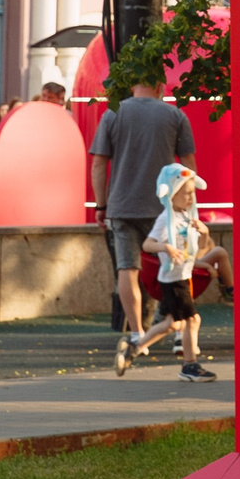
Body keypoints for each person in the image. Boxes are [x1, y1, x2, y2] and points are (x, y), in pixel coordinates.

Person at [89, 79, 197, 341]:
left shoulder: (113, 113)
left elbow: (99, 164)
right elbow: (188, 163)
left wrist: (101, 205)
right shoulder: (175, 115)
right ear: (160, 84)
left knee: (127, 269)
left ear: (132, 84)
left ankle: (137, 333)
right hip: (165, 207)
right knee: (176, 264)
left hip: (122, 206)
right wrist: (189, 204)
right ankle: (179, 328)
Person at [117, 165, 230, 381]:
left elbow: (199, 249)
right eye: (185, 193)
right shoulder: (165, 219)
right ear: (172, 195)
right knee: (192, 320)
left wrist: (204, 234)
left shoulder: (187, 216)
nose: (190, 198)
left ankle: (134, 348)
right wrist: (166, 248)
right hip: (173, 280)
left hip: (183, 276)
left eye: (192, 193)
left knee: (173, 324)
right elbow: (147, 244)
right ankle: (189, 365)